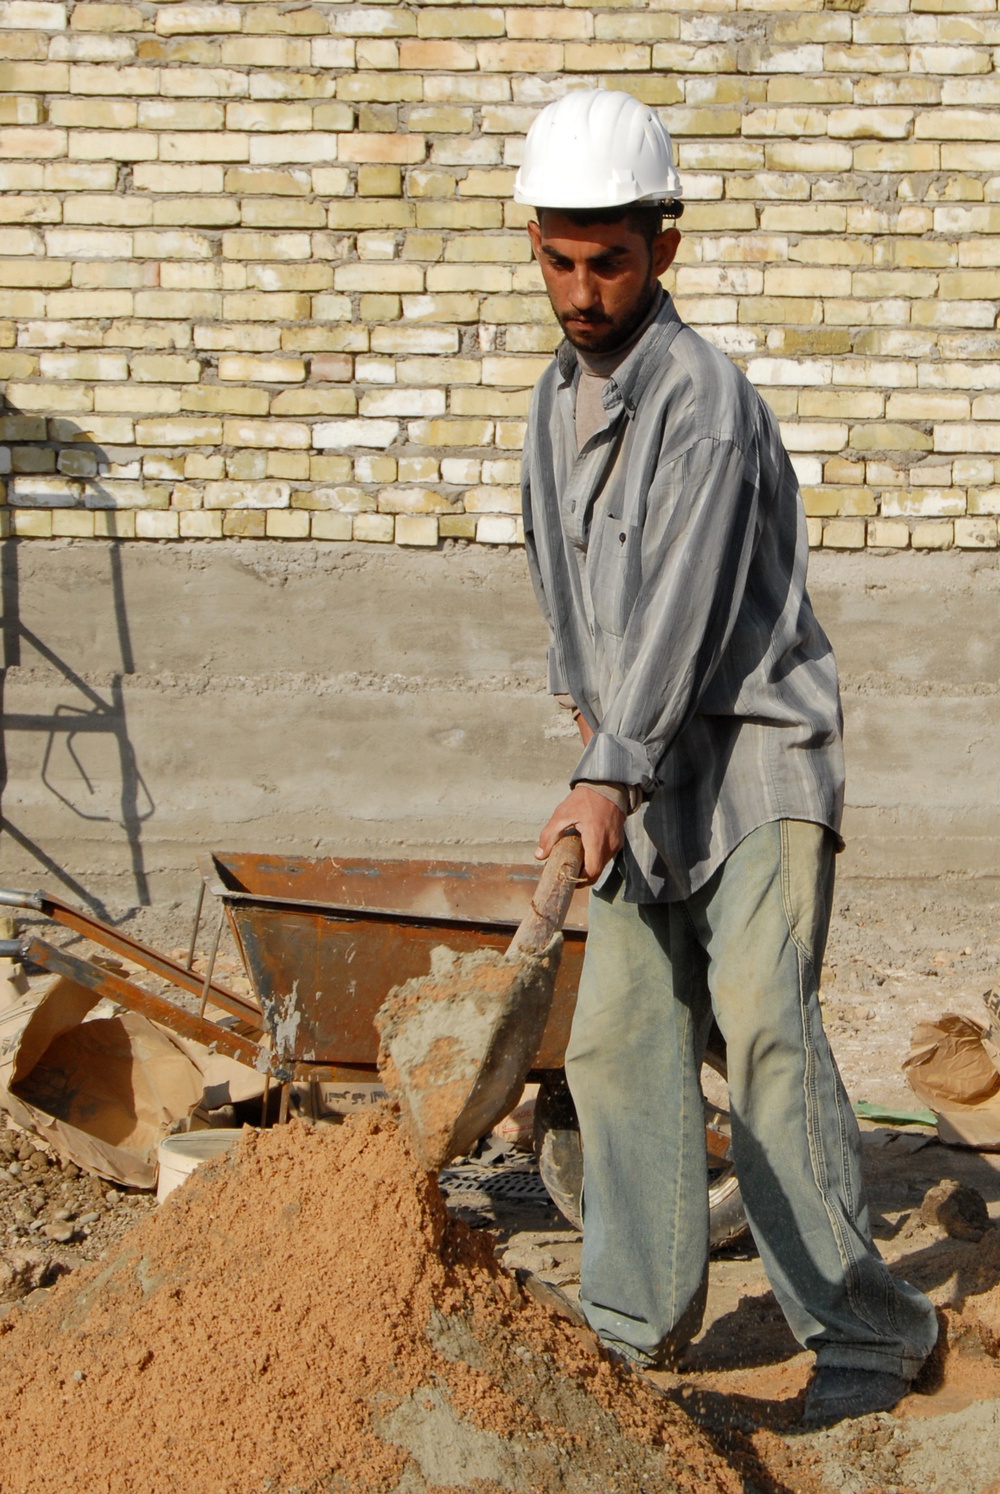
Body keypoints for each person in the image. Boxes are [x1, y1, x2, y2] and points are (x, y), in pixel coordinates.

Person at [514, 88, 938, 1428]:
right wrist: (591, 732)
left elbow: (690, 605)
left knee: (762, 1037)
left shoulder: (705, 399)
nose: (583, 291)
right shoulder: (548, 403)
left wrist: (610, 762)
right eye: (559, 259)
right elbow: (570, 594)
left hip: (752, 762)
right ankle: (635, 1326)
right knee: (622, 1040)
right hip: (638, 773)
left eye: (610, 260)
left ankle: (871, 1333)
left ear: (666, 248)